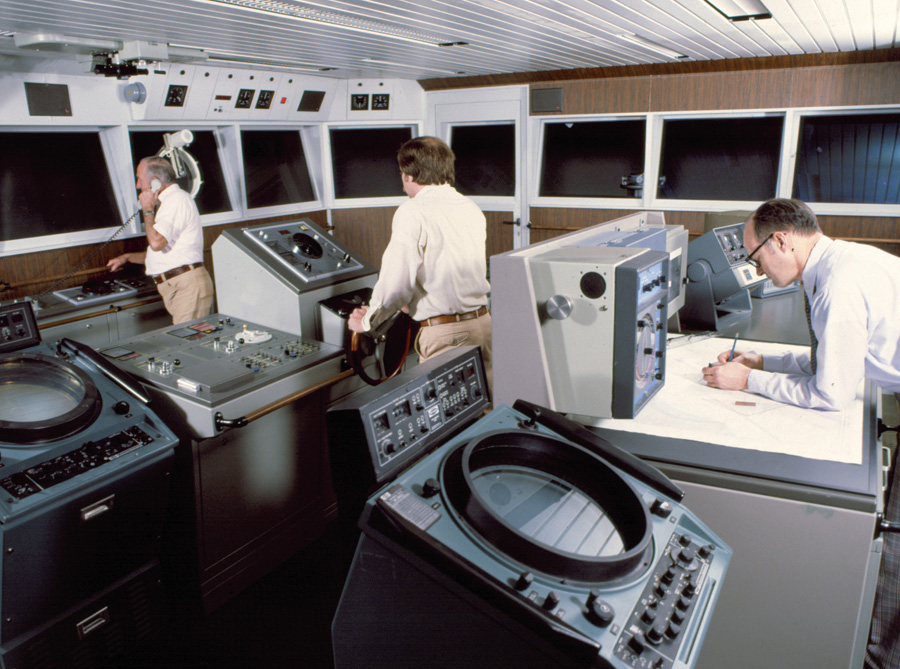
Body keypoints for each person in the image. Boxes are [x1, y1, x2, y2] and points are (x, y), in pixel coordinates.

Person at [700, 198, 900, 668]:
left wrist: (747, 381)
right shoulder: (843, 260)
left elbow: (831, 392)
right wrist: (764, 361)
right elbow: (835, 357)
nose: (756, 269)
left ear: (782, 240)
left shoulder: (837, 284)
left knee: (896, 548)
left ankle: (879, 659)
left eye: (754, 257)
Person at [347, 136, 492, 389]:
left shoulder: (412, 211)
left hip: (447, 335)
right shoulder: (470, 207)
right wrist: (411, 302)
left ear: (407, 175)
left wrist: (368, 321)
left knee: (446, 418)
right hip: (483, 325)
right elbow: (447, 269)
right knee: (483, 409)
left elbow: (396, 284)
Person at [108, 156, 214, 325]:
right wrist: (127, 257)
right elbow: (163, 252)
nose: (138, 186)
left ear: (155, 181)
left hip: (186, 285)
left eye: (139, 179)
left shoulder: (177, 200)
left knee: (186, 343)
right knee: (185, 340)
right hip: (178, 285)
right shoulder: (168, 203)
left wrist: (148, 210)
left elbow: (156, 243)